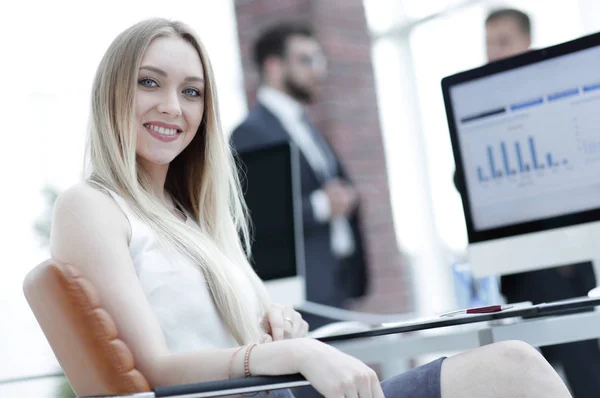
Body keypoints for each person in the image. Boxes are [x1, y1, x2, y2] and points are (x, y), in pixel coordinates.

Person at [49, 17, 573, 398]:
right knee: (513, 369)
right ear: (112, 92)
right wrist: (292, 353)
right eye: (149, 82)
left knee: (513, 367)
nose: (173, 106)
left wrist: (276, 324)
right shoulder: (89, 206)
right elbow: (154, 368)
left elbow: (224, 336)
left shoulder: (188, 217)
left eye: (192, 92)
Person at [454, 8, 600, 397]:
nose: (494, 52)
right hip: (519, 273)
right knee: (524, 375)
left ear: (526, 43)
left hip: (573, 268)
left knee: (585, 370)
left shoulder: (557, 98)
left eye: (503, 41)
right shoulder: (478, 106)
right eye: (489, 43)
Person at [231, 23, 368, 327]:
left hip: (336, 283)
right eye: (306, 60)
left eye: (319, 60)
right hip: (299, 296)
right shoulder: (249, 133)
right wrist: (322, 206)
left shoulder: (306, 125)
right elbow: (256, 217)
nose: (318, 70)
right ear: (274, 67)